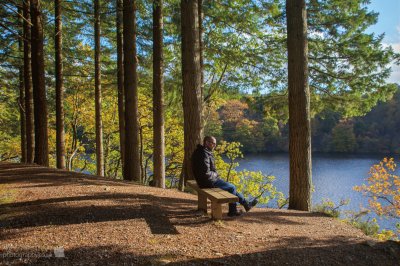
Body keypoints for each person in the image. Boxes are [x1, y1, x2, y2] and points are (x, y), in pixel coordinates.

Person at [191, 136, 258, 217]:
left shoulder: (202, 151)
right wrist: (216, 174)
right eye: (212, 143)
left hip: (204, 180)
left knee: (231, 187)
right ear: (206, 142)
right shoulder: (203, 154)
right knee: (232, 187)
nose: (214, 145)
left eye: (215, 144)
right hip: (207, 182)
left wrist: (214, 174)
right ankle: (234, 211)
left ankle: (246, 204)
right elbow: (206, 173)